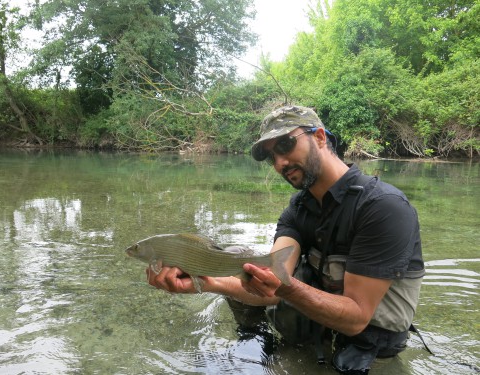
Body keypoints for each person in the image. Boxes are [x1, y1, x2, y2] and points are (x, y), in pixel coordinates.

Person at [147, 105, 425, 374]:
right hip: (316, 333)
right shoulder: (298, 209)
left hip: (366, 350)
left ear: (319, 137)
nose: (279, 163)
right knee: (236, 256)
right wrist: (205, 282)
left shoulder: (383, 207)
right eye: (271, 157)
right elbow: (269, 282)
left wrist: (284, 288)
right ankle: (253, 340)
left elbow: (356, 319)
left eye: (285, 145)